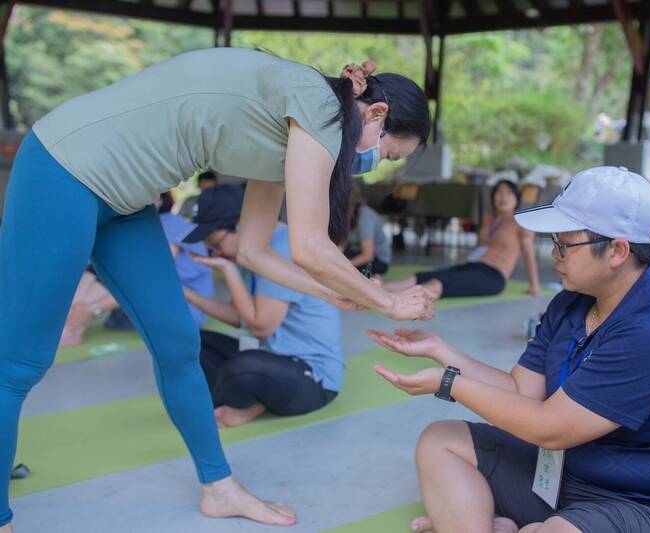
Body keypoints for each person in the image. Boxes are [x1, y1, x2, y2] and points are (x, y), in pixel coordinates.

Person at [0, 49, 433, 531]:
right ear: (375, 114)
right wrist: (387, 301)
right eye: (389, 153)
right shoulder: (318, 105)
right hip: (64, 167)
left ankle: (218, 488)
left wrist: (331, 293)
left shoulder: (293, 135)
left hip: (124, 202)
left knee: (178, 343)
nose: (376, 164)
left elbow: (254, 250)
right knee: (20, 363)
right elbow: (311, 245)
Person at [370, 167, 650, 533]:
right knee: (441, 440)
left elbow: (548, 428)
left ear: (618, 251)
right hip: (568, 476)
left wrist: (448, 383)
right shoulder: (572, 302)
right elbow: (521, 391)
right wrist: (441, 351)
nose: (555, 254)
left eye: (564, 244)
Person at [182, 185, 343, 428]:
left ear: (239, 226)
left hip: (313, 377)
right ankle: (241, 399)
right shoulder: (253, 250)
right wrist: (187, 294)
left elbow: (261, 327)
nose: (215, 252)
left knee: (243, 368)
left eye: (215, 243)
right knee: (191, 342)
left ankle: (248, 404)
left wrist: (229, 271)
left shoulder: (282, 250)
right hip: (272, 356)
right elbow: (241, 316)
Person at [58, 193, 213, 346]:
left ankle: (69, 330)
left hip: (184, 309)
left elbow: (150, 277)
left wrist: (94, 308)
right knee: (95, 272)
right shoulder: (137, 230)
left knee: (127, 276)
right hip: (149, 305)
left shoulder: (171, 223)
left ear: (158, 201)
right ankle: (67, 327)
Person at [383, 180, 541, 300]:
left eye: (508, 193)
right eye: (499, 193)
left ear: (516, 198)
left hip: (494, 276)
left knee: (441, 283)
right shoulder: (489, 218)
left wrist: (534, 286)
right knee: (429, 275)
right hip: (474, 265)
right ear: (492, 198)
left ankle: (393, 300)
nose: (503, 197)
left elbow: (528, 254)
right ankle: (382, 289)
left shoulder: (522, 221)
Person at [346, 189, 392, 276]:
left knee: (342, 260)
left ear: (353, 205)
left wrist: (342, 267)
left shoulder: (365, 217)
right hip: (359, 253)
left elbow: (367, 255)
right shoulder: (350, 216)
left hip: (379, 261)